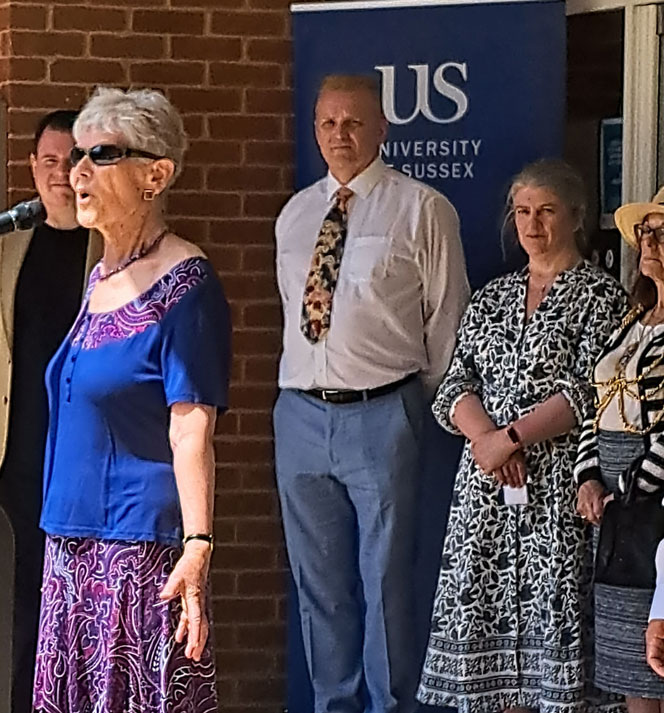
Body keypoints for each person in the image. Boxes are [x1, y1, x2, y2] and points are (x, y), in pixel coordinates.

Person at [272, 73, 470, 713]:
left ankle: (392, 706)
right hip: (301, 415)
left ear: (382, 129)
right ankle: (335, 704)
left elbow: (447, 320)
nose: (340, 135)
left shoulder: (421, 208)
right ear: (315, 130)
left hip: (383, 411)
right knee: (318, 585)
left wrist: (418, 404)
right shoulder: (296, 215)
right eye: (328, 123)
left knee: (385, 580)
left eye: (354, 122)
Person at [32, 87, 230, 713]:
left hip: (136, 549)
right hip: (70, 540)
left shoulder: (186, 285)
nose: (77, 171)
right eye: (76, 155)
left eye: (101, 155)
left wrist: (198, 544)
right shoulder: (100, 277)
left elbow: (191, 427)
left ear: (156, 175)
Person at [416, 160, 626, 712]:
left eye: (547, 211)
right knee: (492, 657)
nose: (533, 224)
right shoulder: (492, 297)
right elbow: (454, 382)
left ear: (576, 217)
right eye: (523, 211)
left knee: (551, 629)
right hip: (487, 490)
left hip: (556, 487)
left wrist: (510, 438)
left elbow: (587, 390)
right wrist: (488, 439)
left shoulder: (601, 298)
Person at [0, 109, 102, 713]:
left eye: (74, 159)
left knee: (80, 607)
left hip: (87, 460)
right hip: (12, 455)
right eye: (49, 160)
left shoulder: (113, 244)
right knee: (15, 609)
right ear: (31, 167)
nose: (61, 172)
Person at [576, 185, 664, 706]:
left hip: (650, 502)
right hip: (615, 505)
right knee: (627, 661)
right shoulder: (633, 321)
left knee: (655, 647)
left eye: (662, 233)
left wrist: (627, 491)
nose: (649, 242)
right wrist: (588, 477)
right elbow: (597, 403)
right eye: (645, 233)